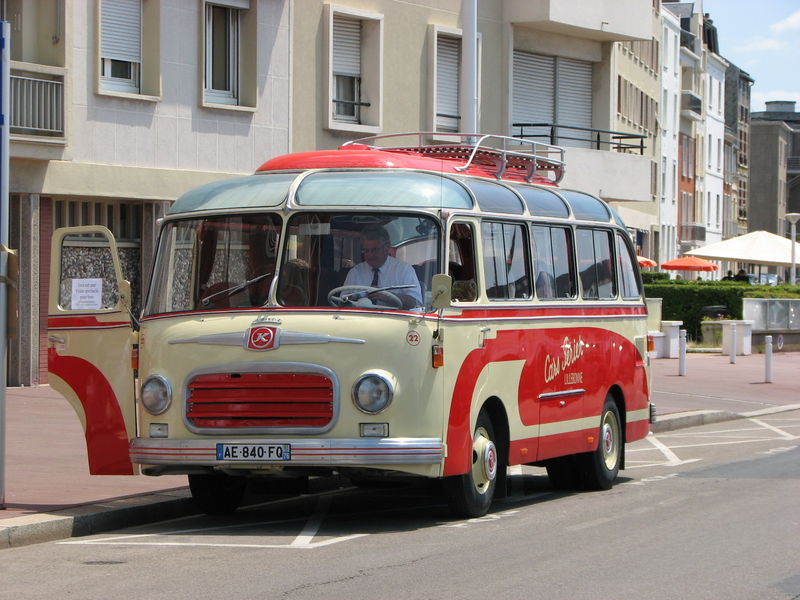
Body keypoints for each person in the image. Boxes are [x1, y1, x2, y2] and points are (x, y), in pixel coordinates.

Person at [344, 224, 422, 309]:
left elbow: (415, 303)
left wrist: (388, 296)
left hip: (393, 320)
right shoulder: (355, 272)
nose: (370, 255)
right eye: (366, 251)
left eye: (375, 250)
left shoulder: (404, 270)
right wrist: (357, 298)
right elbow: (342, 302)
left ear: (387, 247)